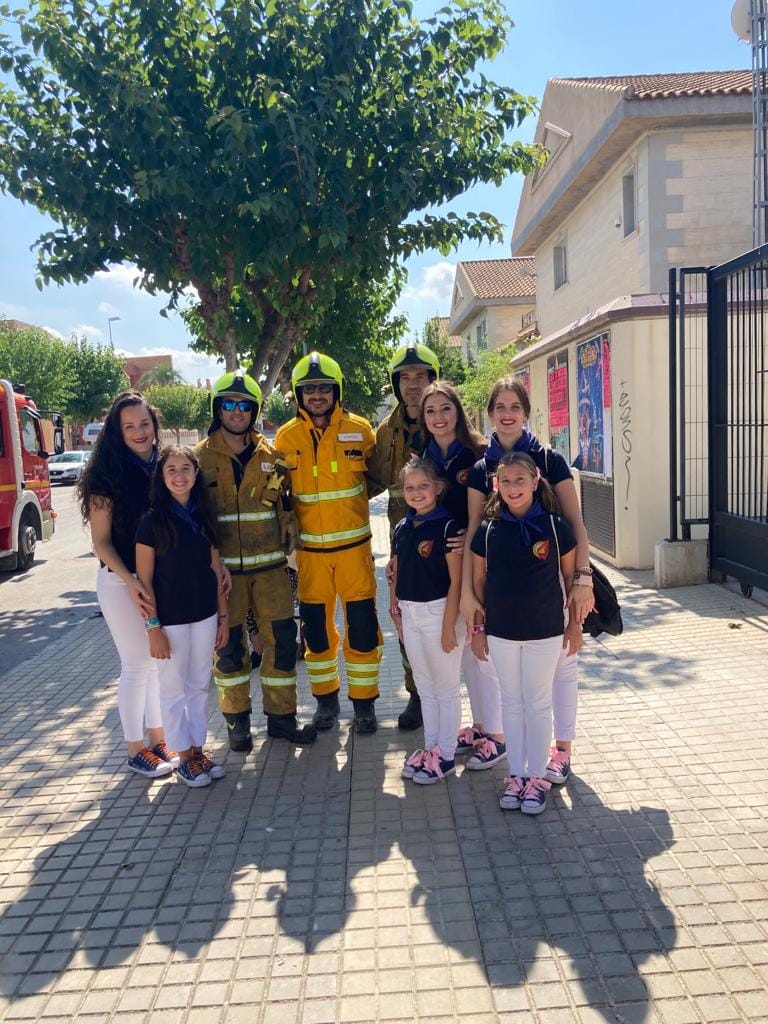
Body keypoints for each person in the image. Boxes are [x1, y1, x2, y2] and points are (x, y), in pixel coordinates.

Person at [462, 377, 592, 784]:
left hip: (554, 581)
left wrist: (583, 579)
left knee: (563, 668)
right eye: (499, 407)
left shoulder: (550, 460)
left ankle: (561, 751)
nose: (507, 414)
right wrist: (467, 591)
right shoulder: (482, 469)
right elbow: (474, 530)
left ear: (526, 412)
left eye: (514, 406)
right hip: (506, 594)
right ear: (489, 414)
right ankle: (516, 754)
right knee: (513, 687)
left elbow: (575, 522)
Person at [196, 371, 316, 753]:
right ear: (218, 409)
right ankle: (237, 724)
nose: (237, 411)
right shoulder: (198, 459)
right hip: (224, 577)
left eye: (245, 405)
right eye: (229, 404)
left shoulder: (273, 458)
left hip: (271, 573)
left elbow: (286, 509)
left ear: (254, 411)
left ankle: (282, 720)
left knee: (282, 645)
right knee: (230, 651)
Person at [276, 352, 383, 734]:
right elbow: (279, 491)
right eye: (309, 389)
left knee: (363, 630)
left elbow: (375, 479)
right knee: (317, 634)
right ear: (297, 394)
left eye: (324, 387)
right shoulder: (285, 438)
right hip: (310, 557)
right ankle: (326, 702)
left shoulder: (362, 430)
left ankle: (365, 705)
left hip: (355, 552)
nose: (317, 394)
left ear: (337, 390)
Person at [470, 452, 577, 815]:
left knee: (538, 703)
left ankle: (536, 778)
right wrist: (479, 630)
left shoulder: (556, 527)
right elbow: (478, 583)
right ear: (496, 485)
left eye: (520, 480)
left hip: (545, 631)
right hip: (501, 632)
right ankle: (516, 774)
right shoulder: (487, 531)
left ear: (535, 482)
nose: (513, 487)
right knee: (511, 703)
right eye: (506, 481)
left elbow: (569, 579)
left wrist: (574, 626)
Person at [77, 391, 175, 779]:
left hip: (156, 579)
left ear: (154, 425)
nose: (139, 432)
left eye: (144, 424)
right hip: (120, 583)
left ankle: (159, 740)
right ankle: (136, 749)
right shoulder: (105, 476)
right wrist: (129, 579)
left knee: (155, 666)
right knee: (136, 665)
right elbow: (100, 543)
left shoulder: (163, 465)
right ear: (117, 432)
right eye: (129, 426)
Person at [416, 380, 507, 771]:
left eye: (445, 408)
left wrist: (471, 540)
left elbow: (496, 507)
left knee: (483, 650)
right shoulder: (424, 457)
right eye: (430, 411)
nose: (438, 417)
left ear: (458, 410)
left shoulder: (479, 454)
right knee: (467, 652)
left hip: (479, 560)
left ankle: (499, 737)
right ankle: (482, 726)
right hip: (441, 569)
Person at [135, 446, 229, 788]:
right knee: (173, 688)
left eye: (186, 468)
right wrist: (153, 628)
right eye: (171, 469)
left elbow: (215, 569)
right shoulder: (151, 521)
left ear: (196, 473)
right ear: (161, 477)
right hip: (170, 620)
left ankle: (199, 750)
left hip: (204, 614)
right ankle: (184, 756)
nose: (179, 476)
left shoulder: (203, 515)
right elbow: (144, 581)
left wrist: (223, 617)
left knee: (200, 684)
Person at [367, 342, 440, 731]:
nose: (413, 384)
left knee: (449, 623)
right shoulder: (385, 432)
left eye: (421, 376)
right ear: (396, 384)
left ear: (432, 379)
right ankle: (418, 694)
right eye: (405, 377)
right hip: (405, 545)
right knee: (407, 623)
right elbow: (371, 481)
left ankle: (448, 697)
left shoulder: (447, 420)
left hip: (446, 543)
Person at [390, 460, 463, 784]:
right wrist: (395, 611)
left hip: (439, 613)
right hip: (410, 614)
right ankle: (431, 748)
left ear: (438, 488)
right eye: (410, 488)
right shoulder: (402, 528)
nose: (416, 493)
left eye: (423, 486)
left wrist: (449, 626)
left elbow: (456, 581)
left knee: (445, 688)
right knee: (425, 686)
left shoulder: (448, 528)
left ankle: (446, 755)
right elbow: (396, 572)